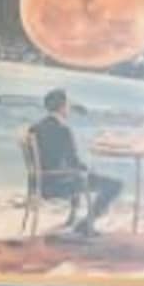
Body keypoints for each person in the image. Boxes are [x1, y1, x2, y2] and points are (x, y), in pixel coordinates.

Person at [23, 88, 115, 234]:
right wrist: (88, 170)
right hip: (58, 185)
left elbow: (57, 160)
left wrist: (83, 169)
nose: (69, 107)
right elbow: (74, 162)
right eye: (68, 104)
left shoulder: (35, 128)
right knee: (114, 185)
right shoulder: (63, 129)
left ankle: (73, 218)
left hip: (40, 183)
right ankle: (86, 224)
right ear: (62, 107)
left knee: (81, 174)